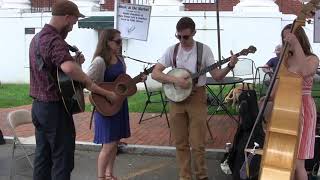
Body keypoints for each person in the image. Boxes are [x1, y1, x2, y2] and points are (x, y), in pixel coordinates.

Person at [29, 1, 116, 180]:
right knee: (62, 160)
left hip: (38, 108)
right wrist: (86, 79)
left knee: (43, 159)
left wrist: (77, 64)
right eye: (73, 22)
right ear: (67, 17)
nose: (72, 27)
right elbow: (68, 69)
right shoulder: (55, 40)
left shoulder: (36, 39)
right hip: (55, 109)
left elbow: (57, 72)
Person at [151, 17, 238, 180]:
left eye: (186, 37)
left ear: (194, 33)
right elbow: (155, 73)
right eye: (179, 36)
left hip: (197, 97)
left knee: (198, 143)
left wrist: (230, 65)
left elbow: (217, 76)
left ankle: (201, 176)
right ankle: (185, 177)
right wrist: (175, 80)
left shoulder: (204, 50)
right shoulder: (172, 50)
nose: (182, 40)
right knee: (180, 142)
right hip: (176, 99)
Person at [87, 29, 146, 180]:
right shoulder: (100, 61)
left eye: (121, 41)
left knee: (115, 144)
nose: (121, 44)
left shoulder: (120, 59)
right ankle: (101, 177)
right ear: (107, 42)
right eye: (117, 41)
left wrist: (138, 80)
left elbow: (122, 83)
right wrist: (108, 94)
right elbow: (88, 84)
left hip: (119, 106)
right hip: (105, 107)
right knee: (108, 145)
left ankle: (109, 174)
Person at [265, 24, 319, 180]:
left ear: (299, 38)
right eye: (284, 39)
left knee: (298, 164)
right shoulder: (285, 60)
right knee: (286, 161)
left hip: (303, 108)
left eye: (289, 38)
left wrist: (295, 45)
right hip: (285, 109)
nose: (286, 41)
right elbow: (277, 85)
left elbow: (306, 71)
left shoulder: (312, 58)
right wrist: (269, 97)